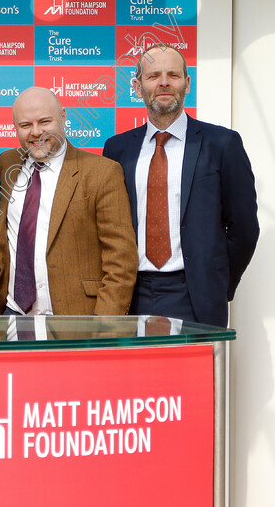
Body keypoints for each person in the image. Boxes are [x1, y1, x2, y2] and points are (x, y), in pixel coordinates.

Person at [104, 44, 259, 327]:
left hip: (195, 294)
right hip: (130, 294)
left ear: (187, 84)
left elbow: (245, 228)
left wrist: (217, 282)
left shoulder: (222, 144)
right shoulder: (117, 149)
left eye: (173, 75)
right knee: (133, 372)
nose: (164, 82)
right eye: (153, 76)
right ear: (137, 87)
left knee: (194, 372)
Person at [0, 87, 137, 316]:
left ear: (63, 117)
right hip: (12, 314)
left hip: (77, 320)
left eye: (45, 121)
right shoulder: (6, 163)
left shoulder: (102, 173)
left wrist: (106, 327)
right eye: (25, 125)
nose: (36, 132)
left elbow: (121, 262)